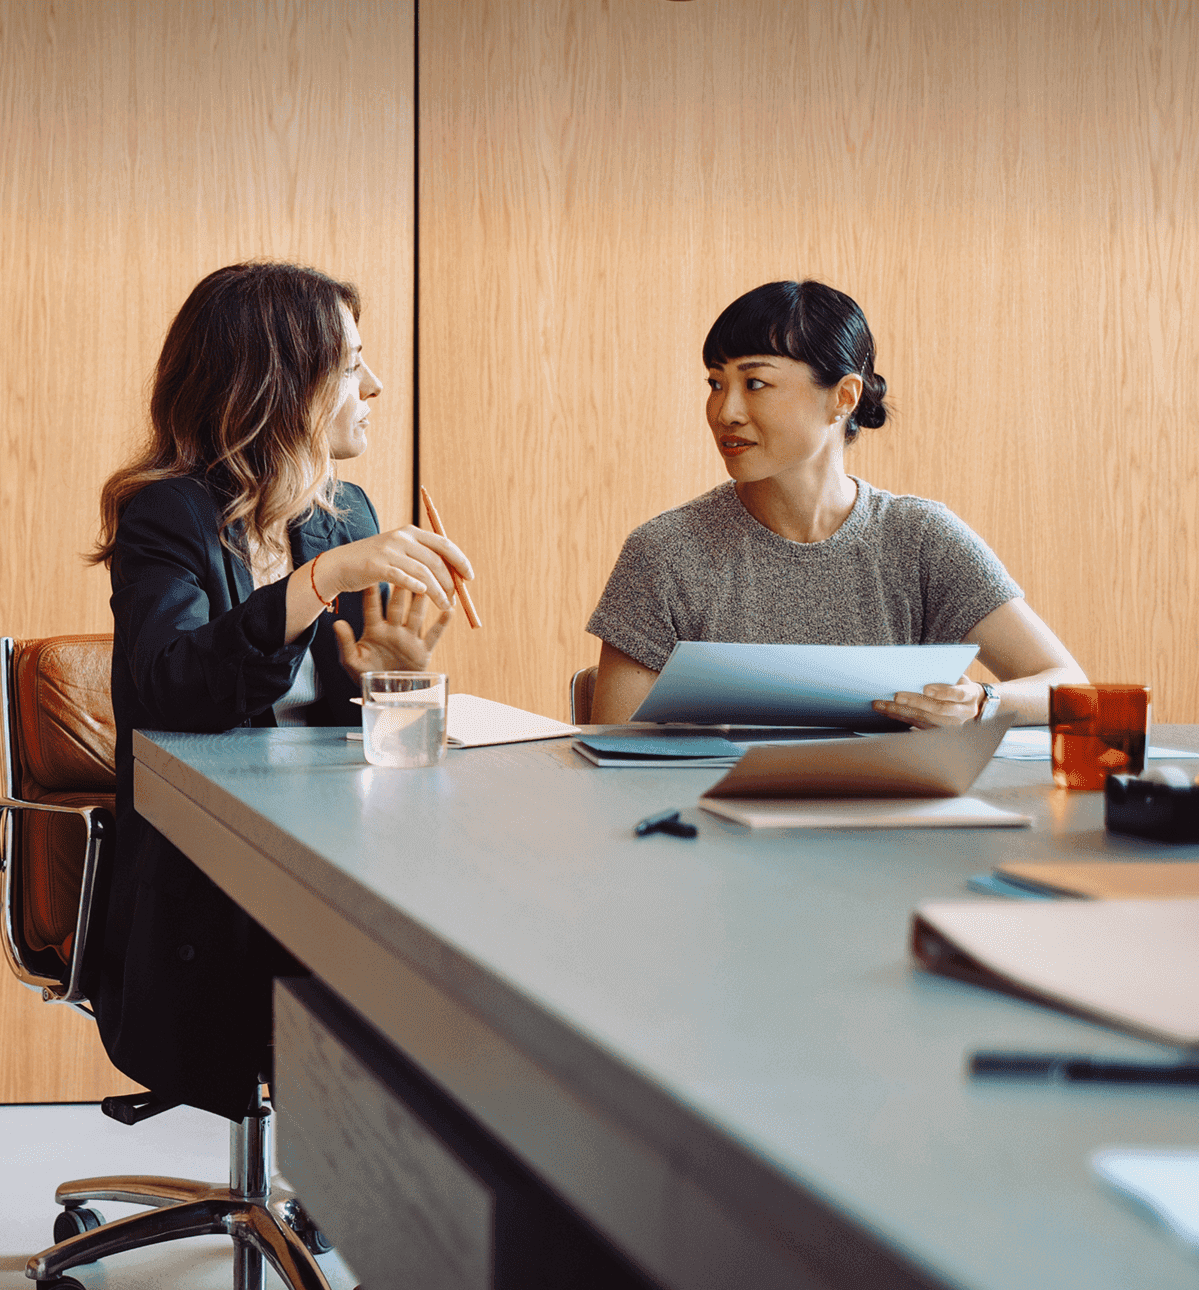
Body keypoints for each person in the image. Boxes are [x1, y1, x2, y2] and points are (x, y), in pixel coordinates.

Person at [87, 261, 475, 1119]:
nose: (374, 386)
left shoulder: (346, 515)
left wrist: (385, 682)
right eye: (348, 367)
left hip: (330, 855)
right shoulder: (167, 514)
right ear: (276, 383)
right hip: (209, 879)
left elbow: (341, 732)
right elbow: (169, 691)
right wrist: (315, 582)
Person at [586, 280, 1085, 727]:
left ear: (843, 396)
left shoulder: (921, 538)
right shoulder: (664, 551)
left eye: (754, 383)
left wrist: (981, 702)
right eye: (716, 383)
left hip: (889, 820)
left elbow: (1068, 685)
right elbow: (614, 745)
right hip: (713, 823)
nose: (725, 411)